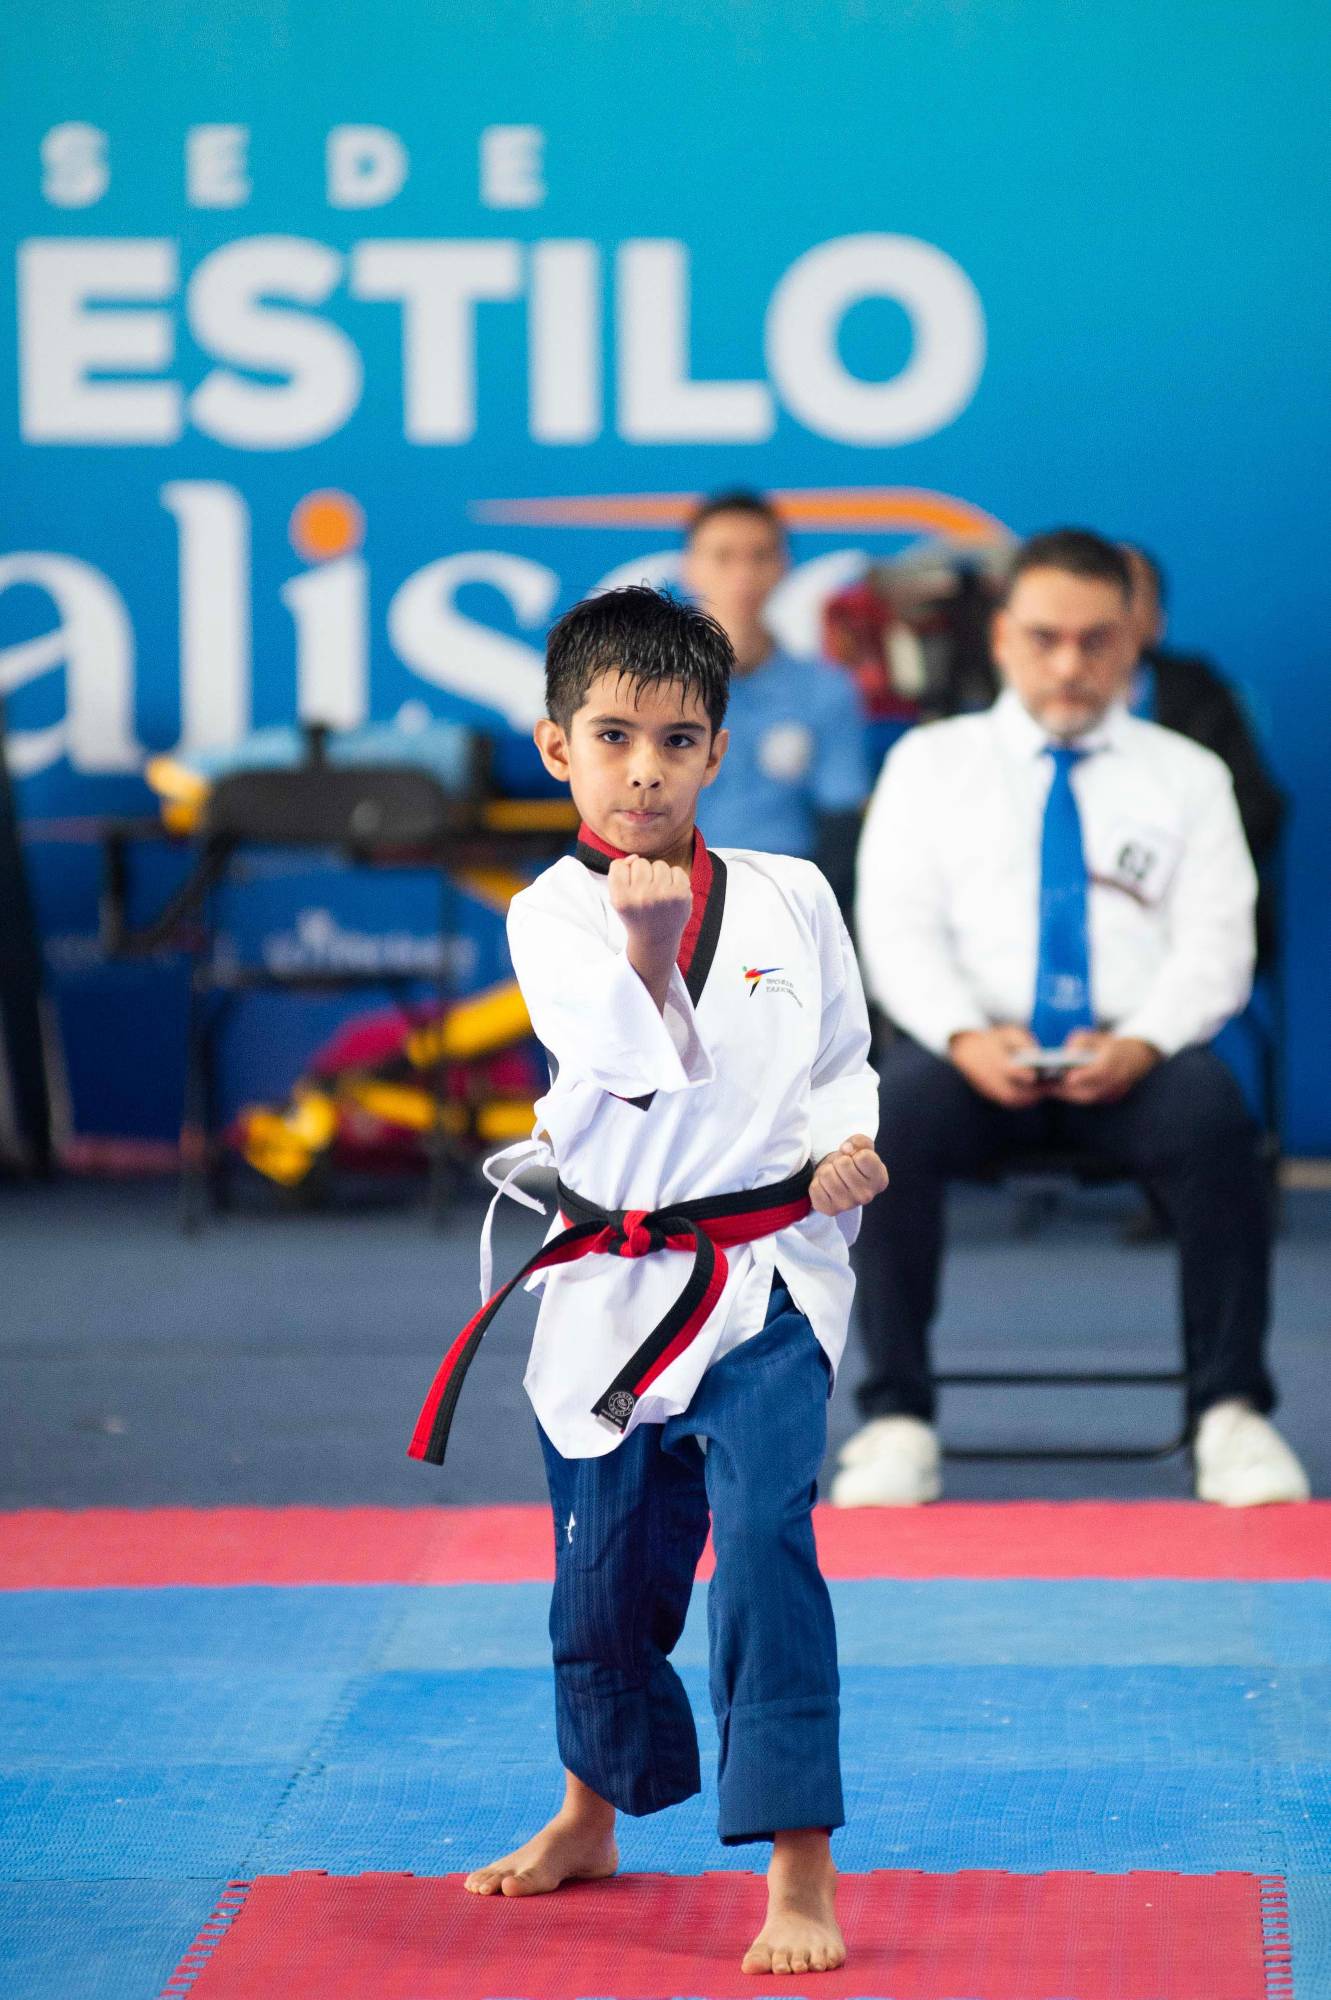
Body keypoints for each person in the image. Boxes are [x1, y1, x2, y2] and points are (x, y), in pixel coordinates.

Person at [409, 586, 887, 1976]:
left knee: (764, 1545)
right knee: (603, 1578)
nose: (643, 771)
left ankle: (797, 1860)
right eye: (611, 737)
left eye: (676, 742)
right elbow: (632, 1062)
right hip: (612, 1293)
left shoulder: (793, 893)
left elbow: (839, 1054)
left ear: (716, 753)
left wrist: (845, 1144)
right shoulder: (549, 914)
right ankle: (589, 1810)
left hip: (764, 1278)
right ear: (555, 746)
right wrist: (647, 945)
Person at [837, 528, 1308, 1510]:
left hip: (1133, 1060)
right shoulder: (930, 763)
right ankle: (896, 1418)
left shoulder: (1187, 773)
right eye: (1043, 637)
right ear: (1001, 638)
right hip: (973, 1055)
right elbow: (893, 932)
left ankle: (1228, 1412)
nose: (1067, 664)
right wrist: (963, 1035)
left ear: (1132, 641)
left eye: (1095, 640)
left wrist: (1140, 1042)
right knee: (888, 1120)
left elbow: (1218, 942)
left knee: (1214, 1116)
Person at [683, 490, 870, 914]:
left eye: (760, 556)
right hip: (671, 903)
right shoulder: (649, 692)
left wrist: (795, 921)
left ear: (783, 566)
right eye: (723, 557)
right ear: (690, 568)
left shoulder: (827, 689)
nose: (743, 574)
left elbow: (841, 828)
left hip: (790, 904)